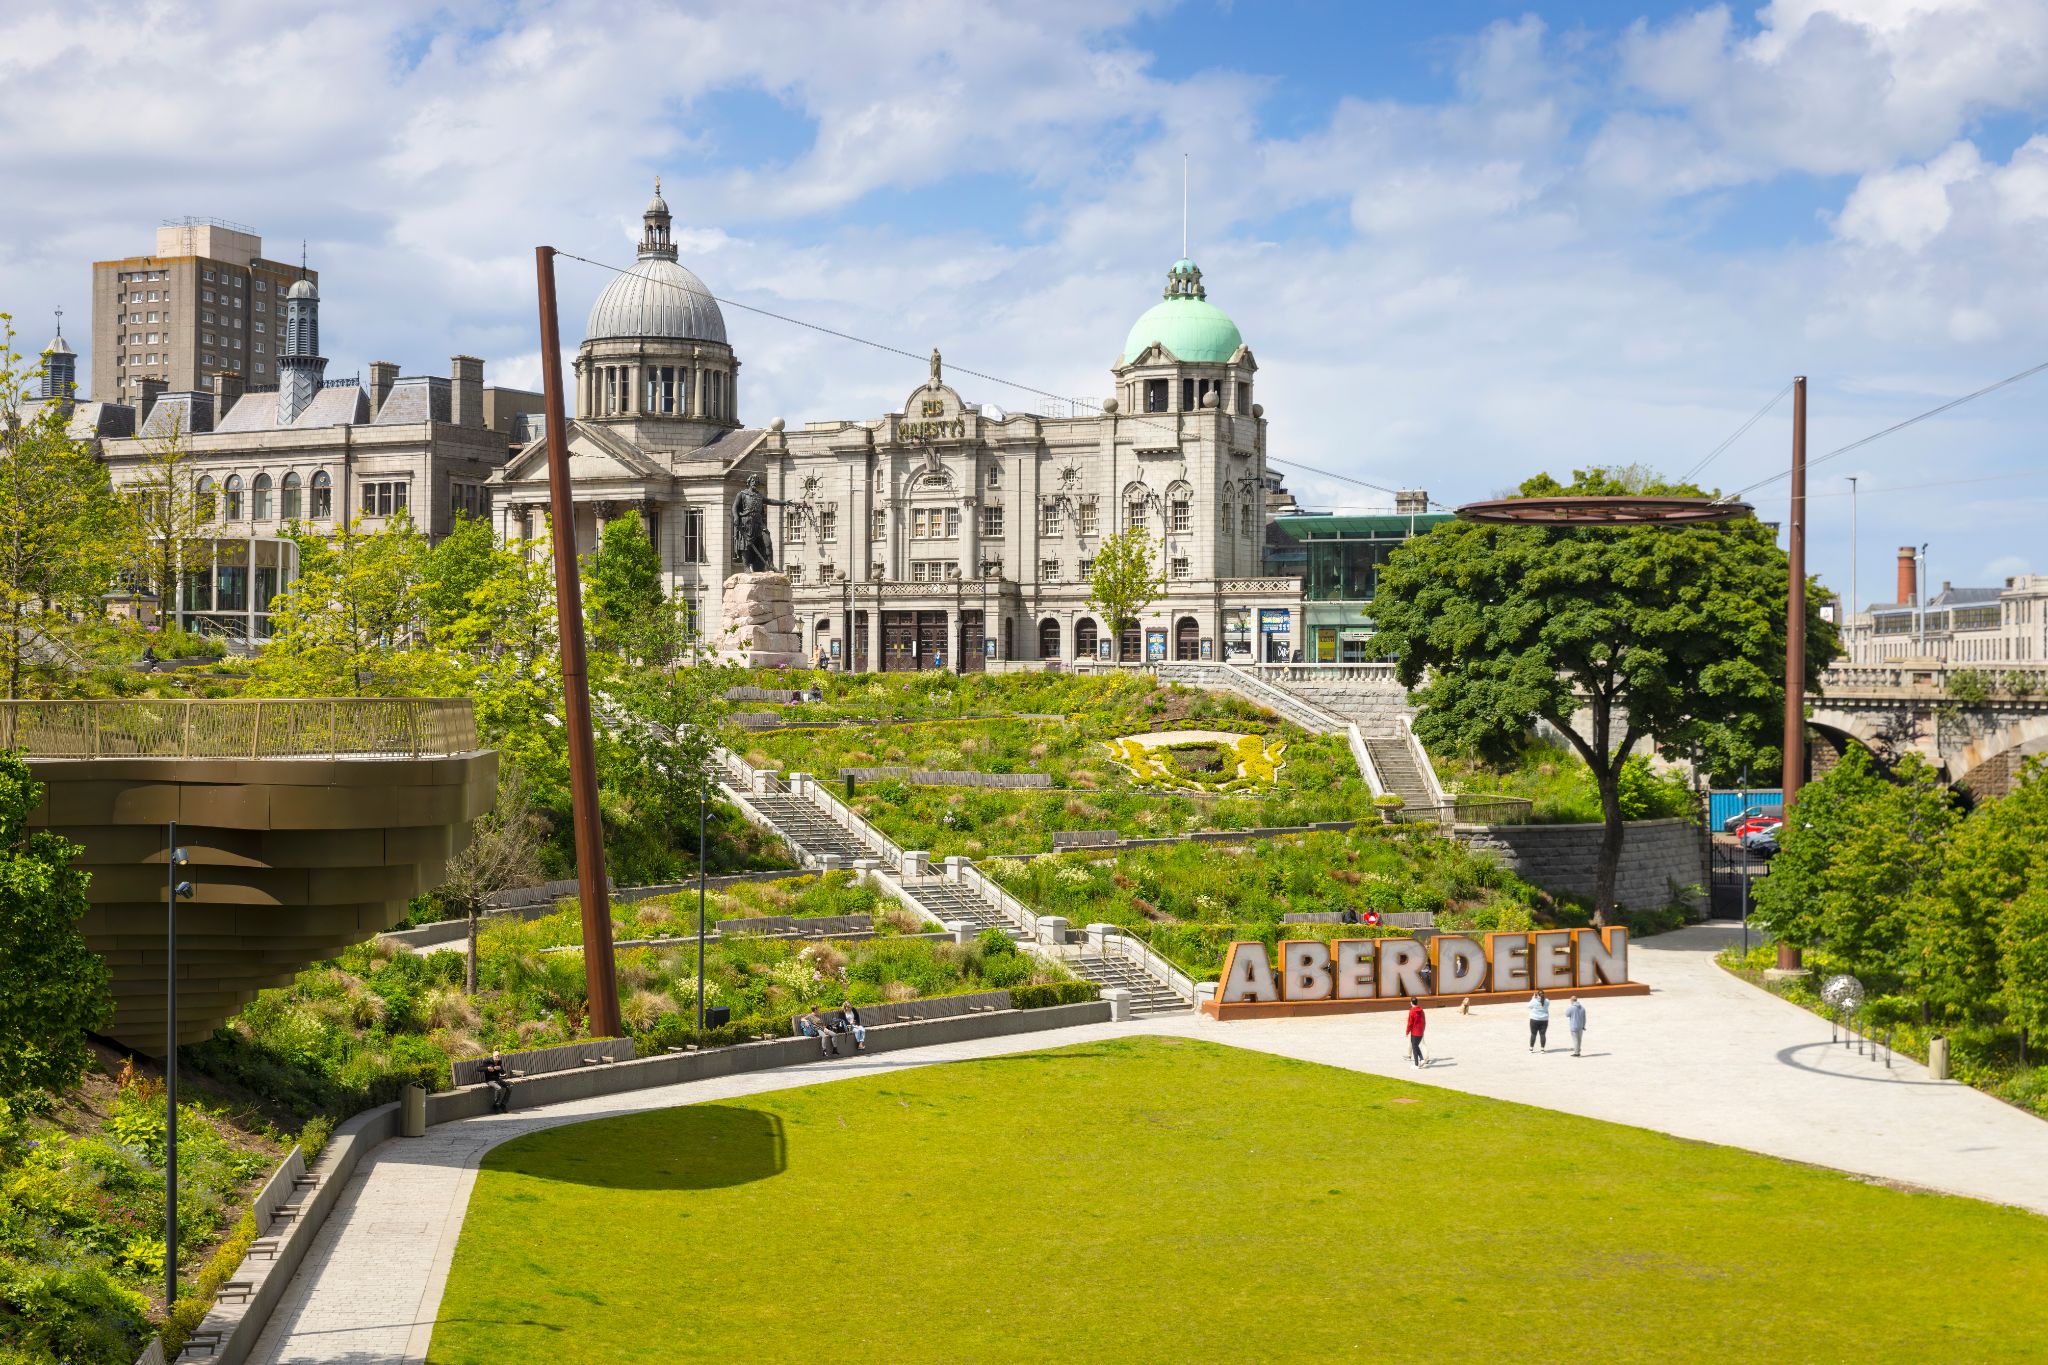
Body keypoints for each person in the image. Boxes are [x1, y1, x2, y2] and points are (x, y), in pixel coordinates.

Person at [480, 1049, 512, 1113]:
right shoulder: (487, 1061)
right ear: (493, 1056)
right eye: (496, 1056)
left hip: (498, 1079)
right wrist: (487, 1068)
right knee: (499, 1088)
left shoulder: (499, 1062)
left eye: (498, 1056)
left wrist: (500, 1069)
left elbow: (503, 1072)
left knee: (510, 1087)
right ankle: (496, 1105)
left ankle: (503, 1105)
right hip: (490, 1080)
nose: (497, 1057)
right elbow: (479, 1069)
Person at [1403, 997, 1427, 1068]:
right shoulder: (1421, 1010)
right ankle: (1422, 1059)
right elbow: (1424, 1021)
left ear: (1411, 1002)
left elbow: (1410, 1023)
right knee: (1416, 1046)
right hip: (1420, 1031)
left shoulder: (1412, 1011)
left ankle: (1416, 1064)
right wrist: (1423, 1030)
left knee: (1414, 1047)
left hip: (1414, 1032)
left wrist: (1407, 1031)